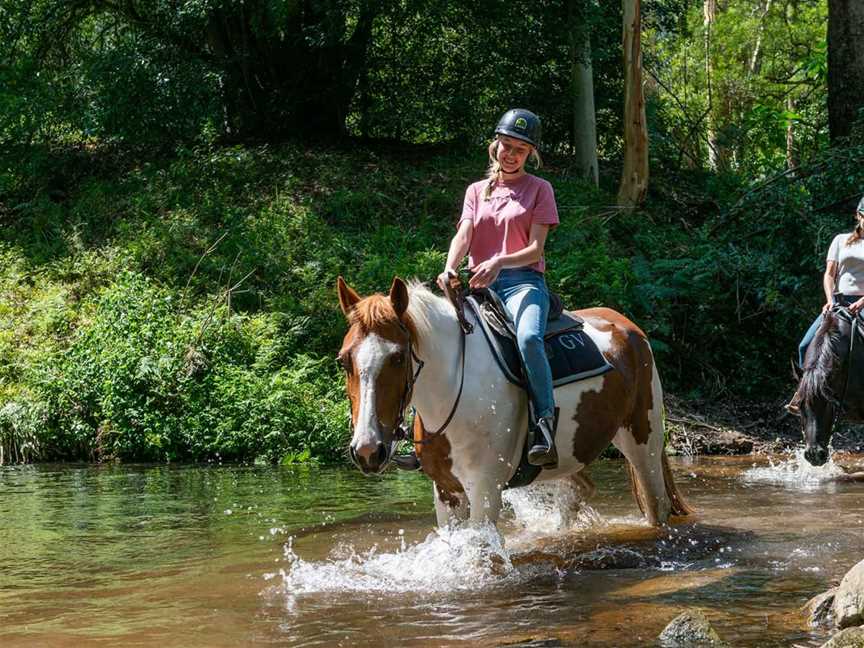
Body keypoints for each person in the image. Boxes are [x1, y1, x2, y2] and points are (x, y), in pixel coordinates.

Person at [436, 108, 560, 467]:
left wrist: (499, 262)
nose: (511, 154)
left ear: (529, 155)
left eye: (520, 149)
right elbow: (465, 233)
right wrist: (448, 266)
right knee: (437, 341)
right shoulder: (477, 190)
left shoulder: (540, 189)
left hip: (523, 282)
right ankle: (428, 436)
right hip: (478, 285)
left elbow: (536, 249)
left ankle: (544, 424)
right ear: (495, 146)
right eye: (506, 145)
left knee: (528, 340)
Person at [787, 196, 864, 413]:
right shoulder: (840, 240)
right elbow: (829, 275)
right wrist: (830, 300)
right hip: (839, 302)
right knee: (805, 345)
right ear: (859, 216)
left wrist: (862, 301)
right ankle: (803, 392)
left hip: (863, 302)